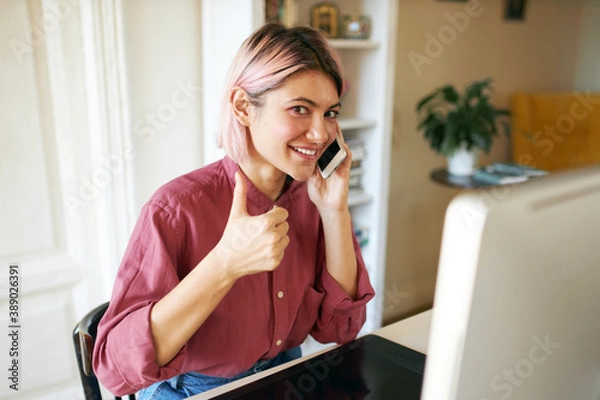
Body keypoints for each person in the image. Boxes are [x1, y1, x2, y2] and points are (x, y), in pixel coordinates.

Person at [93, 22, 375, 399]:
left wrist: (334, 212)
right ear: (243, 106)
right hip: (193, 390)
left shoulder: (316, 197)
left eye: (329, 113)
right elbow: (116, 369)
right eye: (300, 109)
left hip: (285, 375)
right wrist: (225, 263)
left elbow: (341, 330)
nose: (321, 133)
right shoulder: (177, 209)